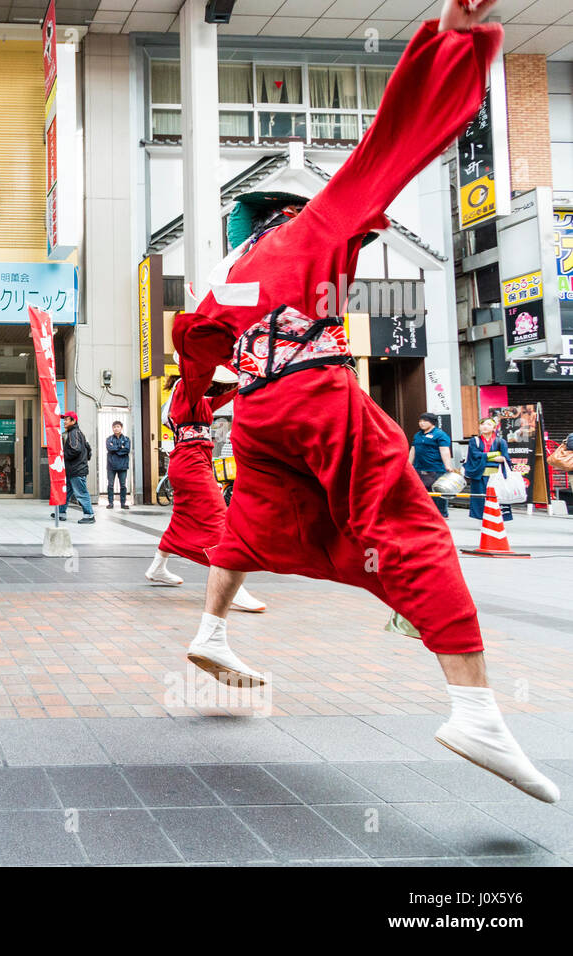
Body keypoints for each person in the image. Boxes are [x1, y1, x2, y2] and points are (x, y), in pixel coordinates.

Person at [169, 0, 557, 803]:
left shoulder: (225, 277)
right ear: (285, 211)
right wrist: (449, 42)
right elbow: (392, 145)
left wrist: (196, 409)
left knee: (256, 520)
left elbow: (193, 340)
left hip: (260, 413)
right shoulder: (313, 226)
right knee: (411, 528)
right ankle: (475, 709)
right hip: (314, 393)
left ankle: (209, 630)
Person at [146, 367, 265, 613]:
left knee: (182, 517)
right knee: (219, 519)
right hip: (191, 463)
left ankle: (157, 567)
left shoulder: (195, 400)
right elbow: (203, 386)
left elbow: (221, 398)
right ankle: (232, 588)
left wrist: (243, 381)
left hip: (191, 461)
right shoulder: (186, 391)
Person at [463, 417, 512, 521]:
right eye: (483, 424)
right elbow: (475, 455)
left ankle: (497, 519)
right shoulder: (474, 441)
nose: (485, 426)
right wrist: (494, 456)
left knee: (497, 497)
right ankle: (482, 519)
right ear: (479, 427)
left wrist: (498, 458)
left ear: (494, 427)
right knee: (480, 498)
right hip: (479, 474)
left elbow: (505, 457)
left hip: (496, 475)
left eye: (489, 424)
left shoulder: (500, 441)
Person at [410, 412, 457, 519]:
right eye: (420, 421)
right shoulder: (418, 435)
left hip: (435, 468)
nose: (421, 423)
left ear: (432, 423)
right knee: (422, 491)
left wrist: (448, 465)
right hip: (420, 467)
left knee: (438, 491)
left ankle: (442, 513)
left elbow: (444, 450)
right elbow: (413, 450)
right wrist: (409, 464)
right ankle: (426, 512)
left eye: (425, 421)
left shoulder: (440, 434)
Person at [56, 411, 95, 524]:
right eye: (64, 419)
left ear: (73, 421)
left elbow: (75, 449)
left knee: (81, 493)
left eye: (67, 419)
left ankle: (89, 515)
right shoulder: (77, 433)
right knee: (66, 492)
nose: (64, 422)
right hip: (74, 469)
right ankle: (61, 513)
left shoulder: (74, 433)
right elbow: (87, 450)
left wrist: (63, 456)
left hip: (76, 470)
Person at [105, 421, 131, 510]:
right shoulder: (109, 439)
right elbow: (109, 448)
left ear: (121, 428)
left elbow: (127, 450)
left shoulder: (126, 439)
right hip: (111, 466)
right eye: (114, 427)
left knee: (123, 485)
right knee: (110, 485)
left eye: (118, 426)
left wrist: (115, 449)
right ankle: (110, 503)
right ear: (112, 428)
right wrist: (120, 447)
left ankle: (123, 503)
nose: (116, 428)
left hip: (123, 466)